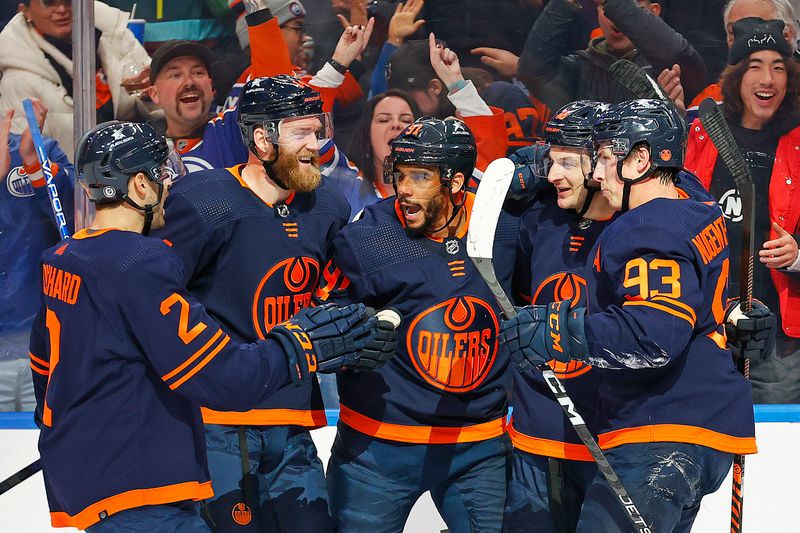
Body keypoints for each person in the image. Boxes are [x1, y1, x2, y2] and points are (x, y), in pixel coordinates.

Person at [30, 120, 380, 531]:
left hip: (87, 475)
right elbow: (227, 378)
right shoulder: (139, 263)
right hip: (139, 485)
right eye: (163, 175)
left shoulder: (63, 257)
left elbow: (43, 368)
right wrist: (304, 344)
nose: (171, 188)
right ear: (140, 186)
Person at [152, 75, 396, 532]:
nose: (316, 145)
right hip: (216, 426)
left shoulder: (327, 204)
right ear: (262, 139)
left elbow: (330, 293)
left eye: (317, 131)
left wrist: (358, 326)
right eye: (300, 133)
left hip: (293, 424)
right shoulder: (202, 202)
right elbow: (157, 304)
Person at [501, 99, 757, 532]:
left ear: (640, 159)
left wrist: (560, 331)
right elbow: (692, 309)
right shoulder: (696, 208)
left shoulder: (645, 227)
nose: (598, 175)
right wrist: (735, 316)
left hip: (660, 433)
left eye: (603, 157)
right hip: (698, 429)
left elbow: (652, 336)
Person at [319, 116, 518, 533]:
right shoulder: (367, 238)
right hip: (377, 449)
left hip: (478, 446)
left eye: (421, 177)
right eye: (400, 175)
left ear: (458, 181)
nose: (403, 190)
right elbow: (320, 319)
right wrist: (352, 335)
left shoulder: (506, 228)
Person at [504, 101, 611, 533]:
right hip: (537, 433)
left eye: (568, 161)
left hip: (611, 441)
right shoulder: (538, 218)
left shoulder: (640, 227)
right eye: (551, 159)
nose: (552, 174)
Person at [685, 17, 800, 403]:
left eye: (779, 67)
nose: (768, 79)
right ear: (736, 77)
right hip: (705, 325)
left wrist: (798, 254)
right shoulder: (702, 131)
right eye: (756, 66)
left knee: (775, 448)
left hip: (778, 339)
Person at [0, 1, 154, 158]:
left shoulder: (115, 34)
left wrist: (151, 97)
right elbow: (25, 160)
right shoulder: (17, 79)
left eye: (68, 1)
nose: (61, 9)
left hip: (140, 163)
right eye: (48, 2)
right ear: (26, 11)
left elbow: (159, 108)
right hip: (70, 178)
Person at [0, 100, 73, 412]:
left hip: (44, 349)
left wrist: (34, 163)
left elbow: (76, 224)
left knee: (47, 452)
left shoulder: (35, 150)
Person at [517, 0, 707, 112]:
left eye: (629, 3)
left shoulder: (668, 64)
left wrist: (616, 4)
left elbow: (678, 54)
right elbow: (534, 71)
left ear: (653, 11)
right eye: (604, 6)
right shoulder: (581, 66)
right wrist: (562, 3)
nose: (614, 17)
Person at [685, 0, 799, 117]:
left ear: (787, 35)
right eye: (733, 32)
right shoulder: (710, 104)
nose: (741, 41)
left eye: (754, 28)